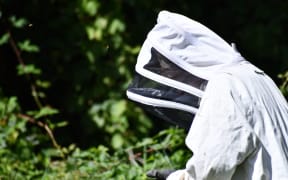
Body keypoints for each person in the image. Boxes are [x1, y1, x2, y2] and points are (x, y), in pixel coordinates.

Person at [126, 10, 288, 180]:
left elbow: (213, 167)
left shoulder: (224, 86)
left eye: (175, 75)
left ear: (188, 63)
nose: (179, 89)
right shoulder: (254, 76)